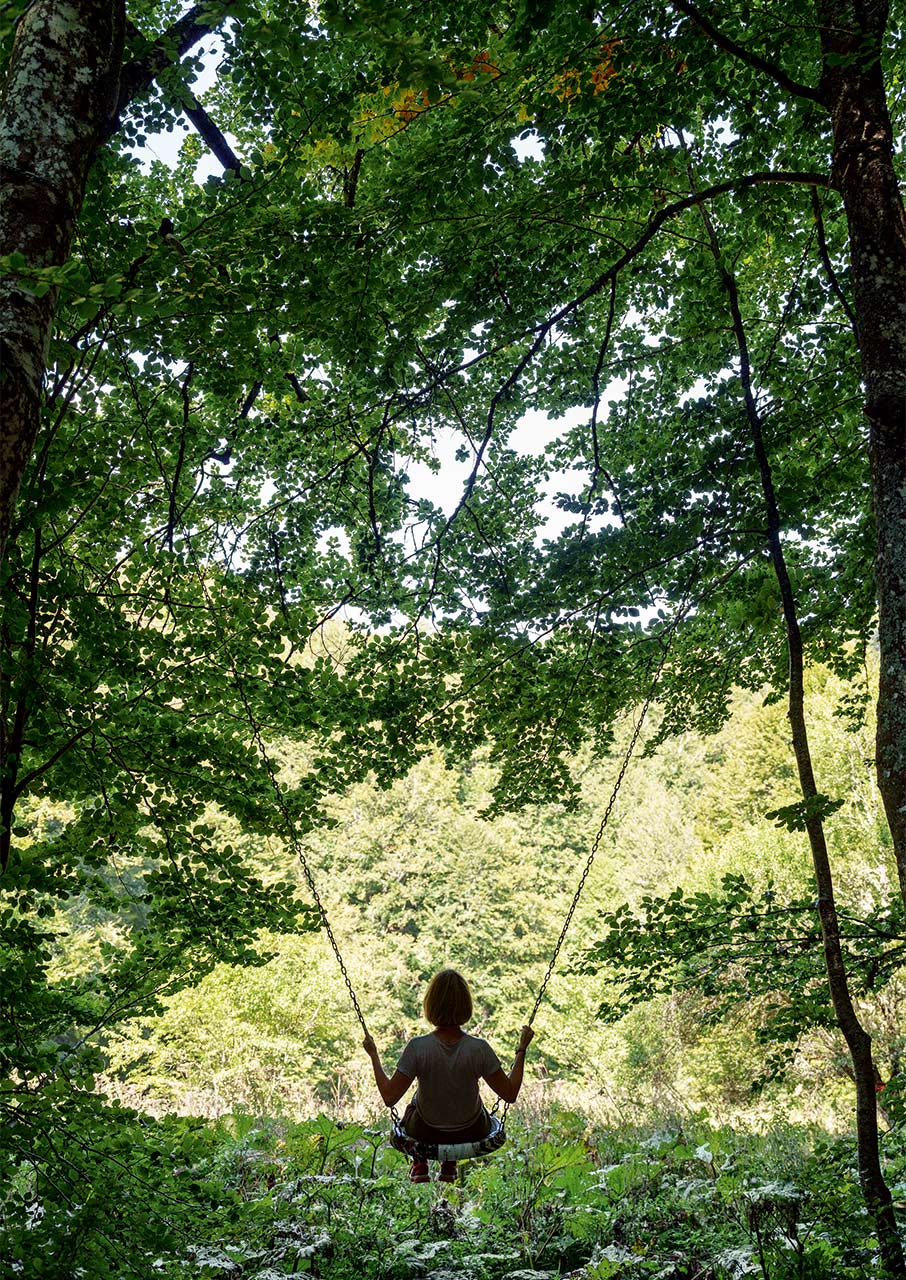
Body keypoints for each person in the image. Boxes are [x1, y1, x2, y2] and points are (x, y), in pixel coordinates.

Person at [363, 968, 535, 1183]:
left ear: (430, 1004)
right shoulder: (479, 1048)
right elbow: (509, 1094)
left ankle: (420, 1162)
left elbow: (390, 1097)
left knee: (415, 1101)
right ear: (466, 1005)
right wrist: (522, 1049)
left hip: (425, 1132)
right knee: (472, 1102)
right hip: (472, 1131)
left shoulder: (418, 1047)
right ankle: (449, 1162)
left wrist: (374, 1055)